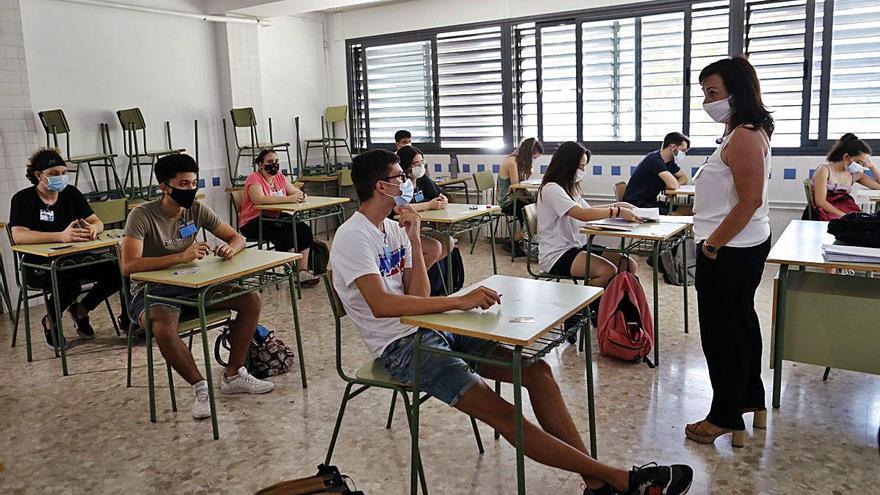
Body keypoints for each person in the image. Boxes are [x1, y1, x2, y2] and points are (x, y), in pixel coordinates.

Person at [329, 149, 693, 495]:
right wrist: (459, 300)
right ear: (382, 186)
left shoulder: (394, 229)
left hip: (434, 326)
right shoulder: (353, 237)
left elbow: (419, 296)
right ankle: (622, 481)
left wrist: (411, 238)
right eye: (401, 177)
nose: (408, 181)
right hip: (402, 348)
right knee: (504, 414)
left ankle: (597, 484)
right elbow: (380, 305)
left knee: (537, 373)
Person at [121, 153, 274, 421]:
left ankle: (233, 375)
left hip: (193, 285)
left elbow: (236, 236)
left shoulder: (196, 210)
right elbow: (129, 266)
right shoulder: (141, 215)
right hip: (153, 290)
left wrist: (230, 248)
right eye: (183, 184)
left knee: (250, 299)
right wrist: (179, 257)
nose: (191, 190)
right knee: (163, 329)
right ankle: (200, 387)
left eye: (193, 183)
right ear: (164, 187)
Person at [687, 56, 774, 448]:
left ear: (737, 92)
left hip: (728, 250)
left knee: (722, 336)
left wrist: (711, 244)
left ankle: (724, 416)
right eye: (705, 93)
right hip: (737, 246)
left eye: (713, 92)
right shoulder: (739, 133)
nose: (707, 100)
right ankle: (750, 400)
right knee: (740, 325)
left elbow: (749, 200)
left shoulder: (743, 136)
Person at [9, 148, 126, 349]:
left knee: (119, 269)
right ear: (39, 175)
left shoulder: (71, 194)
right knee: (68, 283)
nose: (60, 177)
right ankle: (50, 322)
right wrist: (61, 236)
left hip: (74, 258)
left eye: (64, 172)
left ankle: (81, 310)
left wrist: (93, 229)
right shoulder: (23, 199)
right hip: (39, 264)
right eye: (54, 174)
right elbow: (19, 235)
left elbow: (96, 221)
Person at [537, 142, 640, 288]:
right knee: (607, 271)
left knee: (628, 265)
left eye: (584, 166)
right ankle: (589, 309)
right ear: (567, 165)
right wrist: (616, 211)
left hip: (577, 246)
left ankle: (614, 306)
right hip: (557, 254)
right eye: (580, 167)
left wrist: (617, 206)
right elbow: (582, 214)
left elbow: (589, 210)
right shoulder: (552, 189)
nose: (582, 171)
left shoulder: (570, 188)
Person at [238, 149, 319, 287]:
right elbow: (259, 199)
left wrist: (300, 195)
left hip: (273, 216)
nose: (274, 164)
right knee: (284, 233)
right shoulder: (254, 179)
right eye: (270, 162)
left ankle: (302, 271)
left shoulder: (279, 177)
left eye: (276, 162)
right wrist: (288, 199)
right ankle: (291, 272)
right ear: (261, 164)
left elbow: (294, 191)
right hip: (253, 221)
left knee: (302, 229)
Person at [396, 144, 448, 267]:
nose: (420, 166)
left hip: (417, 227)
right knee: (434, 248)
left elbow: (439, 194)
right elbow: (401, 207)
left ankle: (425, 273)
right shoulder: (400, 183)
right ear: (406, 166)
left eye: (422, 162)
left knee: (448, 242)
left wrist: (443, 199)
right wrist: (429, 204)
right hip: (400, 230)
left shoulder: (422, 179)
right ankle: (411, 278)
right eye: (416, 164)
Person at [811, 133, 880, 220]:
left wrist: (872, 167)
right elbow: (820, 202)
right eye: (859, 162)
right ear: (847, 157)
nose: (860, 166)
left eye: (863, 163)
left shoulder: (855, 174)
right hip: (826, 212)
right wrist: (844, 215)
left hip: (846, 210)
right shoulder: (824, 171)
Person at [623, 133, 690, 215]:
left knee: (687, 209)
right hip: (637, 205)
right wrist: (671, 185)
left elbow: (684, 178)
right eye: (682, 150)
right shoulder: (654, 160)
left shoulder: (669, 161)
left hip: (650, 202)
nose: (684, 153)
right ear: (673, 147)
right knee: (678, 215)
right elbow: (673, 185)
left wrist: (670, 185)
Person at [499, 138, 543, 255]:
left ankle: (524, 240)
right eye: (533, 158)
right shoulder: (511, 162)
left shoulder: (518, 162)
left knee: (539, 208)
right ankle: (511, 241)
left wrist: (528, 173)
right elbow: (516, 187)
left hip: (517, 198)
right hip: (508, 201)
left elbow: (521, 185)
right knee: (531, 214)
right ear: (528, 154)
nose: (532, 161)